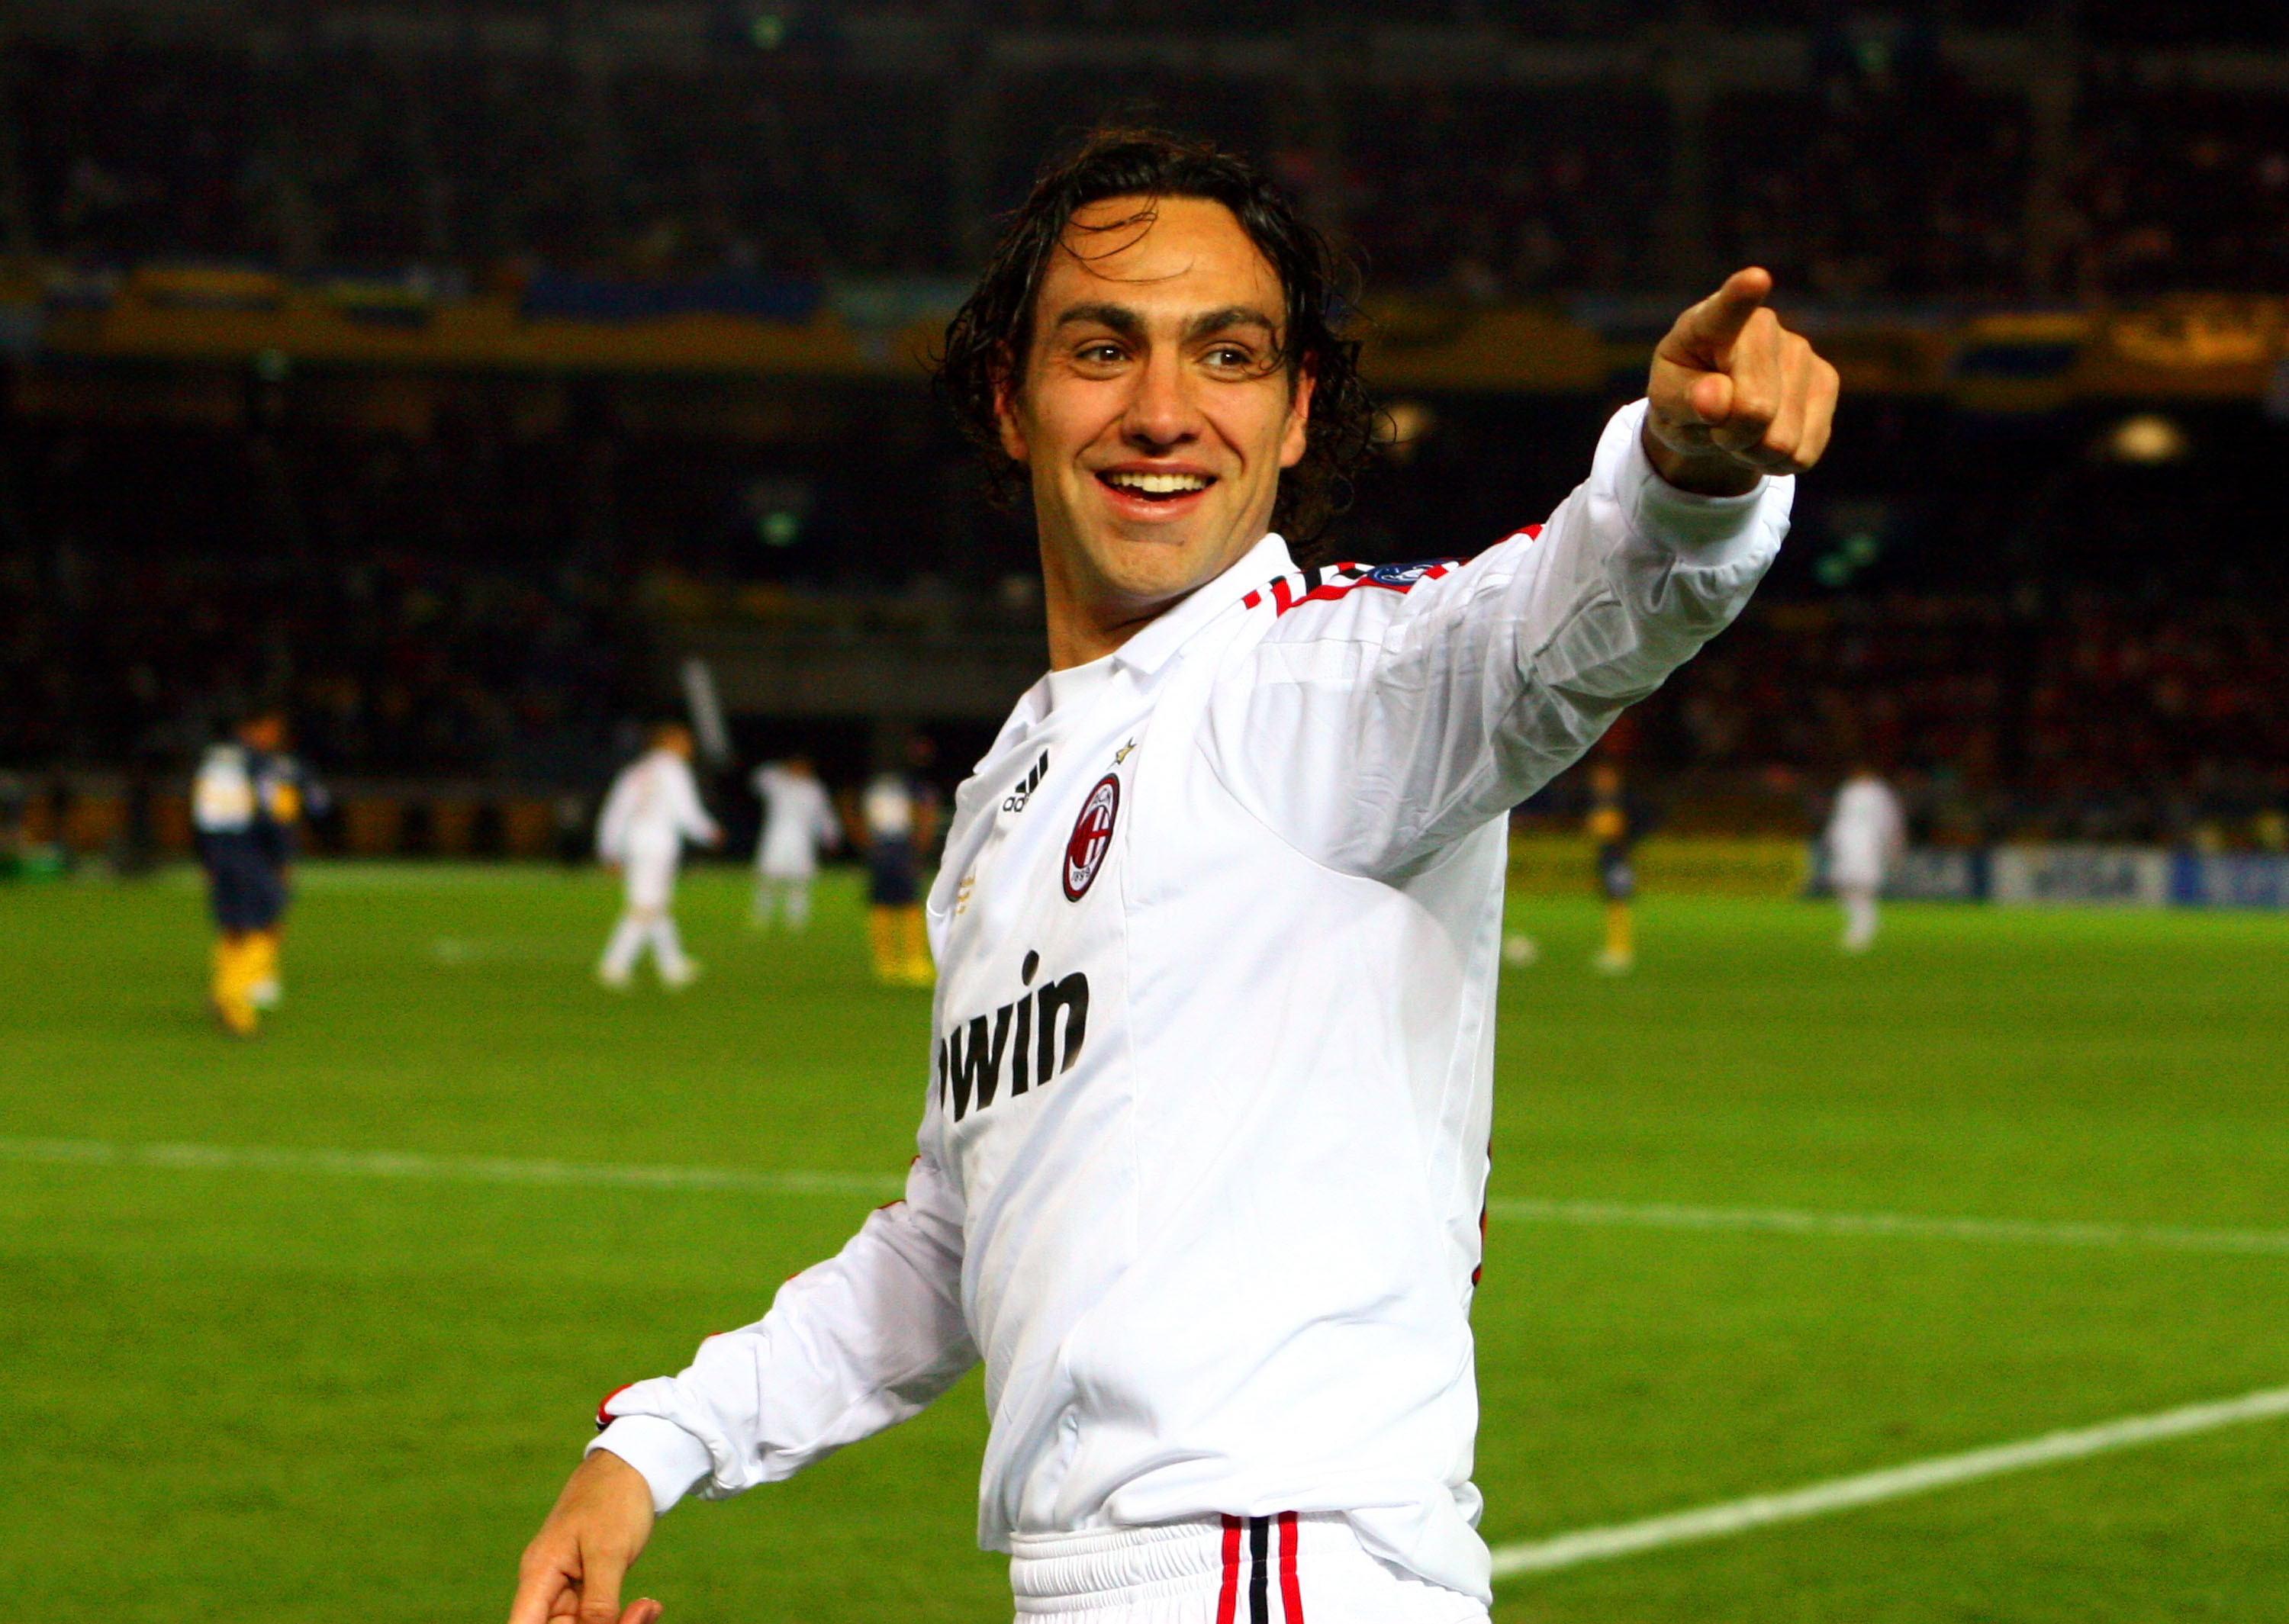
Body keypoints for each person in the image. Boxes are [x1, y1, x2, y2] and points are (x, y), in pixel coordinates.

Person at [510, 130, 1833, 1624]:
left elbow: (1555, 619)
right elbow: (962, 1230)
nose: (1161, 409)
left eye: (1227, 353)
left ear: (1296, 409)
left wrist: (1690, 478)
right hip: (1118, 1581)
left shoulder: (1320, 690)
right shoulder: (1007, 793)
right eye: (1102, 348)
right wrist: (660, 1439)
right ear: (1009, 398)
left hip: (1273, 1568)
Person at [192, 709, 321, 1036]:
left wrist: (205, 858)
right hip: (251, 853)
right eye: (270, 728)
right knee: (267, 924)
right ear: (254, 728)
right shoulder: (264, 765)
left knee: (234, 926)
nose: (275, 735)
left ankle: (222, 991)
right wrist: (281, 858)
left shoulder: (214, 762)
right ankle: (234, 1001)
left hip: (219, 852)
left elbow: (200, 812)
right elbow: (273, 816)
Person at [595, 724, 722, 990]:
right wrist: (708, 832)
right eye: (684, 741)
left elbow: (616, 811)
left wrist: (609, 849)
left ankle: (672, 966)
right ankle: (614, 964)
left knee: (657, 905)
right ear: (669, 742)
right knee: (645, 905)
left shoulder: (637, 770)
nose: (689, 747)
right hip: (659, 843)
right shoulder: (674, 769)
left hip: (636, 841)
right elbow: (685, 810)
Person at [859, 736, 939, 987]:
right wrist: (921, 845)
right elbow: (922, 813)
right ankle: (907, 960)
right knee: (904, 901)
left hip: (884, 845)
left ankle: (891, 961)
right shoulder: (911, 783)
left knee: (888, 902)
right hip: (899, 845)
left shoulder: (882, 783)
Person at [748, 756, 839, 931]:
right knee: (768, 878)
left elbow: (823, 815)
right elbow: (758, 779)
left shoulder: (813, 789)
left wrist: (830, 836)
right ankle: (761, 918)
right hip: (776, 838)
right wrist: (779, 768)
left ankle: (796, 921)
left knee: (800, 881)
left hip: (802, 841)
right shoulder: (778, 784)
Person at [1824, 765, 1907, 953]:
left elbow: (1890, 820)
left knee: (1863, 885)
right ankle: (1862, 922)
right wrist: (1832, 838)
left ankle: (1864, 926)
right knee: (1842, 882)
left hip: (1868, 842)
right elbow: (1839, 817)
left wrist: (1894, 844)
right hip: (1845, 841)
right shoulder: (1848, 791)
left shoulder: (1879, 792)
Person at [1584, 758, 1644, 975]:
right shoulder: (1601, 801)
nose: (1600, 781)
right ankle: (1616, 948)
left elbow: (1631, 828)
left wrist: (1615, 831)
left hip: (1619, 858)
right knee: (1612, 902)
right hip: (1608, 858)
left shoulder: (1623, 802)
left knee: (1618, 901)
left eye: (1604, 777)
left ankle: (1620, 951)